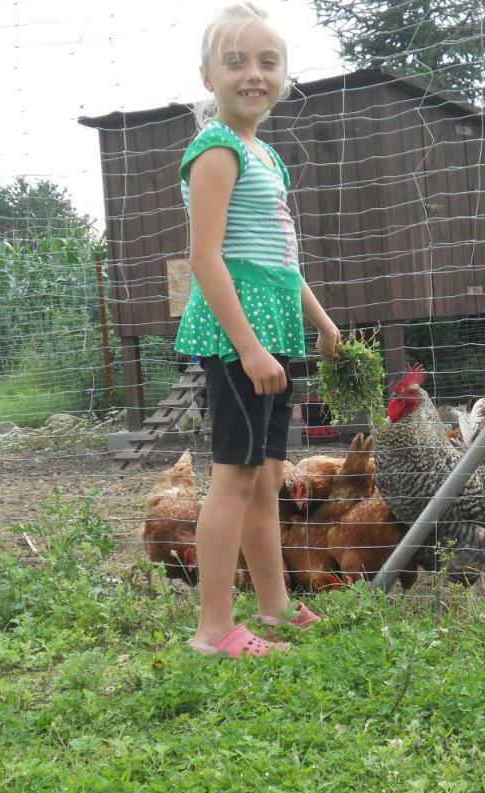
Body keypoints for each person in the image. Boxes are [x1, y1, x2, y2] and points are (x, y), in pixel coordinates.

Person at [176, 3, 340, 658]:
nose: (253, 74)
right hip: (236, 333)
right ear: (208, 75)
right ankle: (214, 628)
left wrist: (323, 325)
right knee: (235, 477)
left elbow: (281, 261)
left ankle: (272, 607)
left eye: (267, 61)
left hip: (273, 330)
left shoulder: (265, 153)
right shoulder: (215, 151)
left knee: (268, 475)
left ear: (284, 75)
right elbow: (205, 258)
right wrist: (246, 347)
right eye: (236, 61)